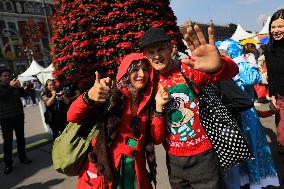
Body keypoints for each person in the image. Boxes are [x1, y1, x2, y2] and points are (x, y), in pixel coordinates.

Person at [141, 26, 239, 189]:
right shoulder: (150, 82)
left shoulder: (188, 68)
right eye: (151, 52)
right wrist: (158, 109)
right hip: (174, 160)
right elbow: (156, 137)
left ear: (171, 48)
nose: (156, 56)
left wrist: (218, 65)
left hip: (204, 156)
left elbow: (232, 71)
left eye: (160, 49)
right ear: (146, 56)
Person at [67, 53, 169, 189]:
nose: (142, 74)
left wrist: (159, 108)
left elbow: (156, 138)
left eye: (145, 69)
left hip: (135, 175)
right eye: (135, 69)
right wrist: (88, 97)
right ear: (125, 72)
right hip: (105, 173)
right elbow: (71, 116)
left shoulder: (148, 102)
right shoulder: (110, 95)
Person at [217, 39, 279, 189]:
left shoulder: (240, 65)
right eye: (221, 53)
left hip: (247, 114)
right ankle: (243, 180)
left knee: (251, 146)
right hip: (230, 115)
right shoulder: (221, 67)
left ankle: (255, 180)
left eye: (225, 53)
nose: (223, 55)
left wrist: (238, 61)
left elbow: (253, 78)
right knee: (237, 150)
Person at [0, 69, 32, 175]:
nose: (7, 77)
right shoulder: (3, 88)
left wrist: (21, 88)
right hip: (5, 118)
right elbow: (3, 96)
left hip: (18, 116)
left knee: (21, 138)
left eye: (9, 75)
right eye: (5, 75)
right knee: (8, 142)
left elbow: (23, 95)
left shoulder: (13, 86)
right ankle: (8, 164)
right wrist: (12, 87)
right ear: (0, 77)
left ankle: (23, 157)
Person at [264, 9, 284, 148]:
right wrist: (272, 96)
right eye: (273, 26)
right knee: (282, 135)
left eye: (280, 26)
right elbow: (271, 74)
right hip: (280, 98)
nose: (276, 30)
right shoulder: (268, 49)